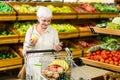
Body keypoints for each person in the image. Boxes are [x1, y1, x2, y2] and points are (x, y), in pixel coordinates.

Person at [20, 6, 63, 80]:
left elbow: (56, 51)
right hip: (33, 66)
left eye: (49, 21)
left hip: (48, 67)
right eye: (44, 20)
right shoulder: (31, 31)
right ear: (38, 18)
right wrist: (31, 43)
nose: (46, 23)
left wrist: (56, 48)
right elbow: (25, 51)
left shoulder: (53, 31)